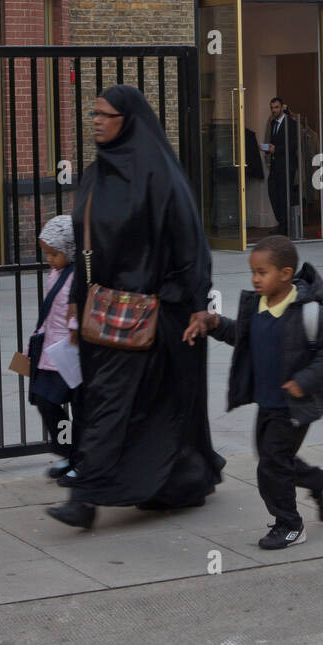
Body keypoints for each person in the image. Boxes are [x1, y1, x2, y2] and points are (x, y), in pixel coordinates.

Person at [46, 85, 225, 529]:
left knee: (124, 402)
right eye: (94, 114)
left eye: (107, 115)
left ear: (130, 120)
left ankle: (86, 497)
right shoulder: (96, 174)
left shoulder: (158, 174)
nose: (97, 121)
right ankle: (177, 482)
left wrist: (189, 304)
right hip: (104, 311)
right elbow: (87, 246)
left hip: (155, 314)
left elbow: (190, 245)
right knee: (123, 402)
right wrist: (75, 301)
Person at [184, 235, 323, 549]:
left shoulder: (308, 313)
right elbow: (240, 336)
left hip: (297, 405)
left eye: (262, 272)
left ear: (285, 274)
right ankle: (319, 480)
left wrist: (305, 380)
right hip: (268, 402)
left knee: (271, 464)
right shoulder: (256, 305)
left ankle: (290, 525)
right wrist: (213, 322)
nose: (255, 279)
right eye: (253, 272)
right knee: (274, 458)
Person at [30, 215, 80, 480]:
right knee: (44, 399)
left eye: (54, 253)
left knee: (82, 408)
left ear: (70, 249)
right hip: (52, 350)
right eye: (46, 253)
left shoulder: (79, 275)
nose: (49, 258)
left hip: (72, 351)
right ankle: (69, 451)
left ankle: (82, 459)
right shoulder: (56, 271)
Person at [263, 98, 298, 236]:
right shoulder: (273, 123)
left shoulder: (291, 123)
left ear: (282, 107)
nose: (274, 110)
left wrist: (276, 149)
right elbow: (274, 141)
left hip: (286, 166)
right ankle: (281, 223)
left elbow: (293, 145)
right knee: (273, 193)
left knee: (284, 196)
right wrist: (267, 148)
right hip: (275, 165)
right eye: (272, 107)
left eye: (276, 107)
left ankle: (284, 226)